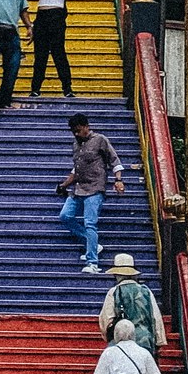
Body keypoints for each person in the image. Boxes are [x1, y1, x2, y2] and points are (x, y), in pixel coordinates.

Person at [59, 112, 125, 274]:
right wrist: (64, 185)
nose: (76, 134)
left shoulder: (99, 140)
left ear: (87, 127)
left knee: (90, 223)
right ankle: (92, 244)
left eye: (79, 130)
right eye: (73, 131)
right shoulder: (76, 144)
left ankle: (92, 262)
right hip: (78, 189)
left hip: (95, 188)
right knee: (65, 216)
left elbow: (114, 160)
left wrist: (118, 180)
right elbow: (77, 169)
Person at [28, 0, 73, 97]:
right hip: (43, 16)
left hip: (54, 16)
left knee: (57, 52)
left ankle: (67, 87)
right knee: (40, 54)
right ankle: (35, 88)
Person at [100, 253, 166, 355]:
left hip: (121, 342)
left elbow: (107, 320)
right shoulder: (146, 291)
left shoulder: (114, 292)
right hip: (145, 340)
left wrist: (108, 336)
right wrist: (159, 340)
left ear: (117, 274)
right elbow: (155, 317)